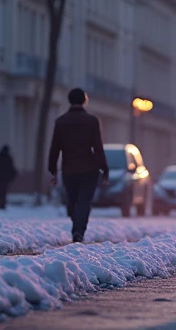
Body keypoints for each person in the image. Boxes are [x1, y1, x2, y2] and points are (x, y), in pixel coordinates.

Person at [48, 88, 109, 243]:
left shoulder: (61, 121)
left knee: (73, 200)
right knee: (84, 201)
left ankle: (77, 226)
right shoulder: (92, 121)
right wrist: (104, 169)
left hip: (69, 169)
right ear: (84, 101)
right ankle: (79, 231)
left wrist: (53, 170)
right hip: (89, 169)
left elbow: (55, 148)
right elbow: (98, 147)